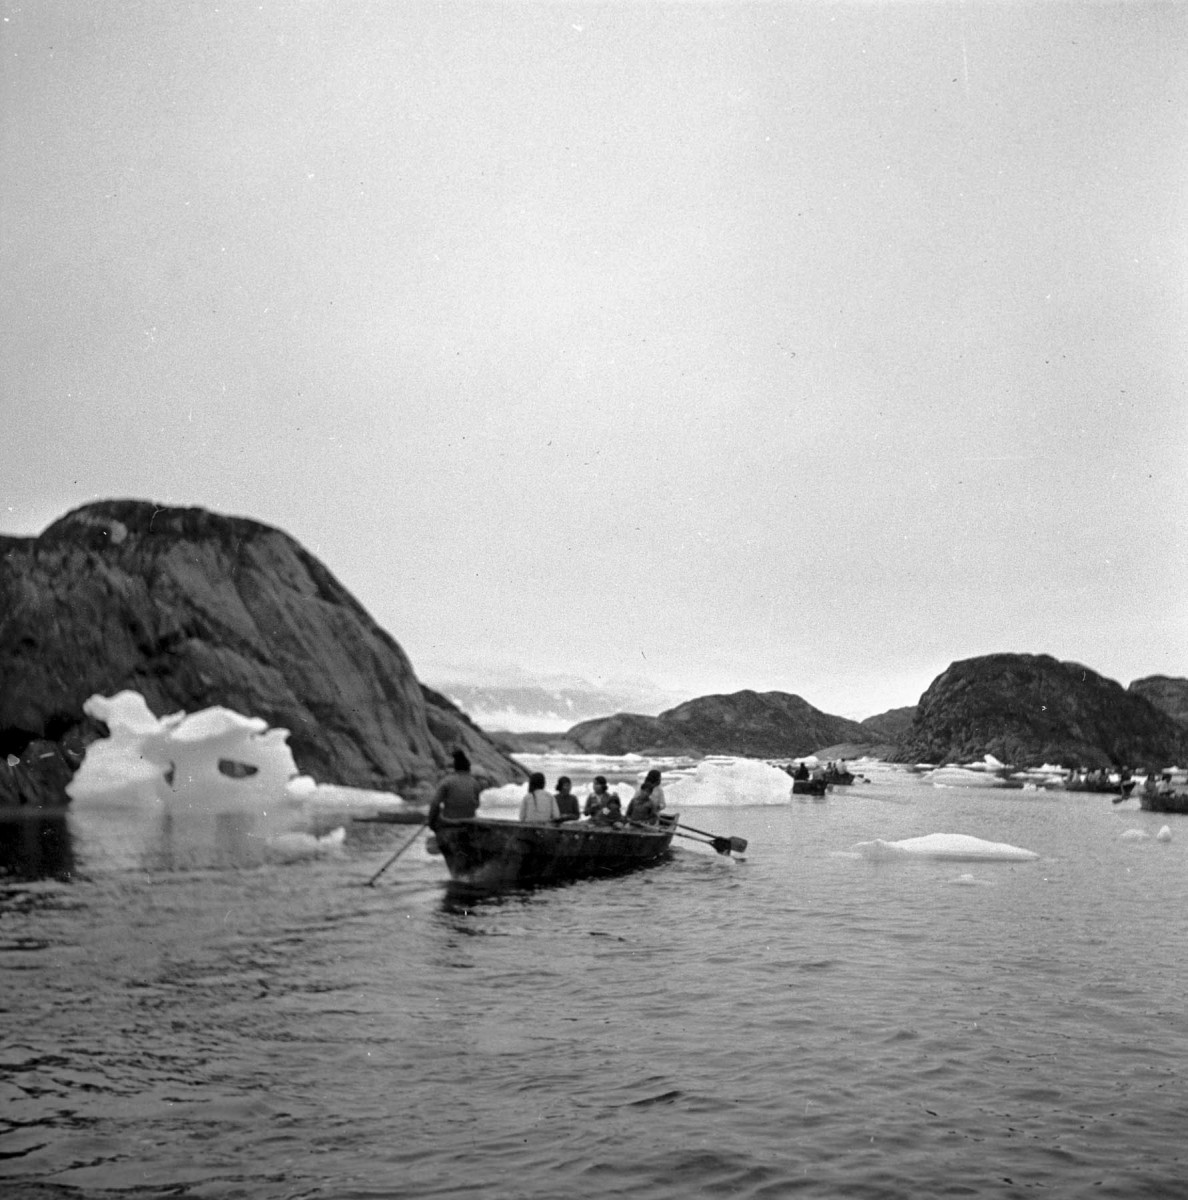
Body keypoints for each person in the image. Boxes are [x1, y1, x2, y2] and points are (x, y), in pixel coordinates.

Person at [427, 750, 485, 830]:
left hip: (450, 822)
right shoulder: (475, 783)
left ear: (455, 769)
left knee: (438, 815)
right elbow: (477, 804)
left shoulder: (447, 781)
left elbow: (435, 804)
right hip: (469, 822)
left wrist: (431, 822)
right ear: (468, 769)